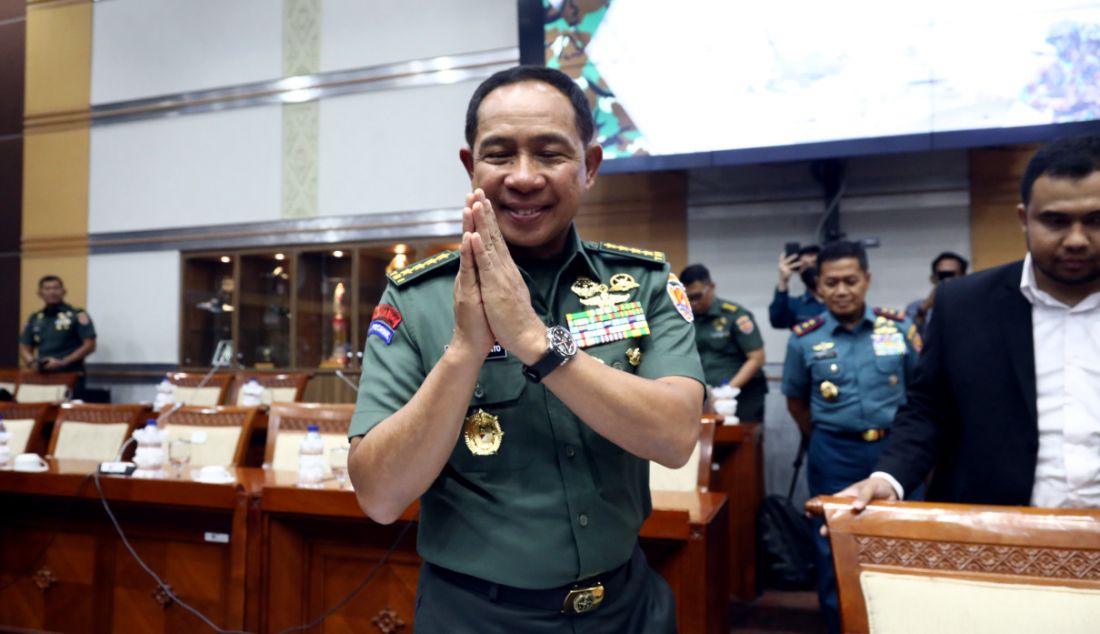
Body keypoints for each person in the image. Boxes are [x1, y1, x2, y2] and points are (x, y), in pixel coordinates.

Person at [346, 66, 705, 633]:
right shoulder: (417, 298)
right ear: (470, 167)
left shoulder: (643, 284)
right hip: (476, 617)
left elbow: (677, 437)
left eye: (549, 154)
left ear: (588, 166)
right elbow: (380, 497)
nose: (523, 177)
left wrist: (537, 343)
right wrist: (465, 350)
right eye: (499, 155)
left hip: (626, 609)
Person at [840, 134, 1100, 511]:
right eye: (1056, 221)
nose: (1076, 239)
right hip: (991, 533)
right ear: (1024, 219)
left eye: (1095, 220)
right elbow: (929, 409)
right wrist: (889, 478)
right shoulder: (963, 305)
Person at [781, 240, 921, 634]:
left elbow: (921, 395)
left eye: (850, 280)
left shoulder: (899, 328)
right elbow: (795, 401)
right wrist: (823, 437)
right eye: (832, 283)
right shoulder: (804, 338)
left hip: (895, 452)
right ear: (818, 288)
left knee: (903, 541)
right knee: (833, 546)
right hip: (833, 452)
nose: (842, 290)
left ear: (867, 280)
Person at [680, 263, 767, 421]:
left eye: (697, 296)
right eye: (688, 298)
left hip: (739, 398)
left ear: (711, 287)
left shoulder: (734, 315)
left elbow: (757, 359)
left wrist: (726, 392)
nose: (693, 303)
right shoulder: (684, 319)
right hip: (701, 399)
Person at [19, 275, 97, 374]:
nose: (52, 292)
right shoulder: (35, 318)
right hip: (43, 374)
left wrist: (63, 362)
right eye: (47, 288)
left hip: (71, 373)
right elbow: (24, 347)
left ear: (64, 291)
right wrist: (32, 363)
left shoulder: (77, 314)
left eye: (56, 288)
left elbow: (89, 345)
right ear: (39, 293)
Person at [904, 251, 969, 337]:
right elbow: (910, 340)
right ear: (933, 279)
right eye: (943, 275)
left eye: (952, 275)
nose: (948, 280)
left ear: (965, 278)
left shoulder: (975, 306)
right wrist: (923, 310)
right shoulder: (916, 308)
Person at [769, 244, 825, 328]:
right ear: (799, 271)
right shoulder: (794, 305)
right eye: (805, 265)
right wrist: (783, 281)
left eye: (815, 264)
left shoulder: (840, 300)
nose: (811, 268)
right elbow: (777, 322)